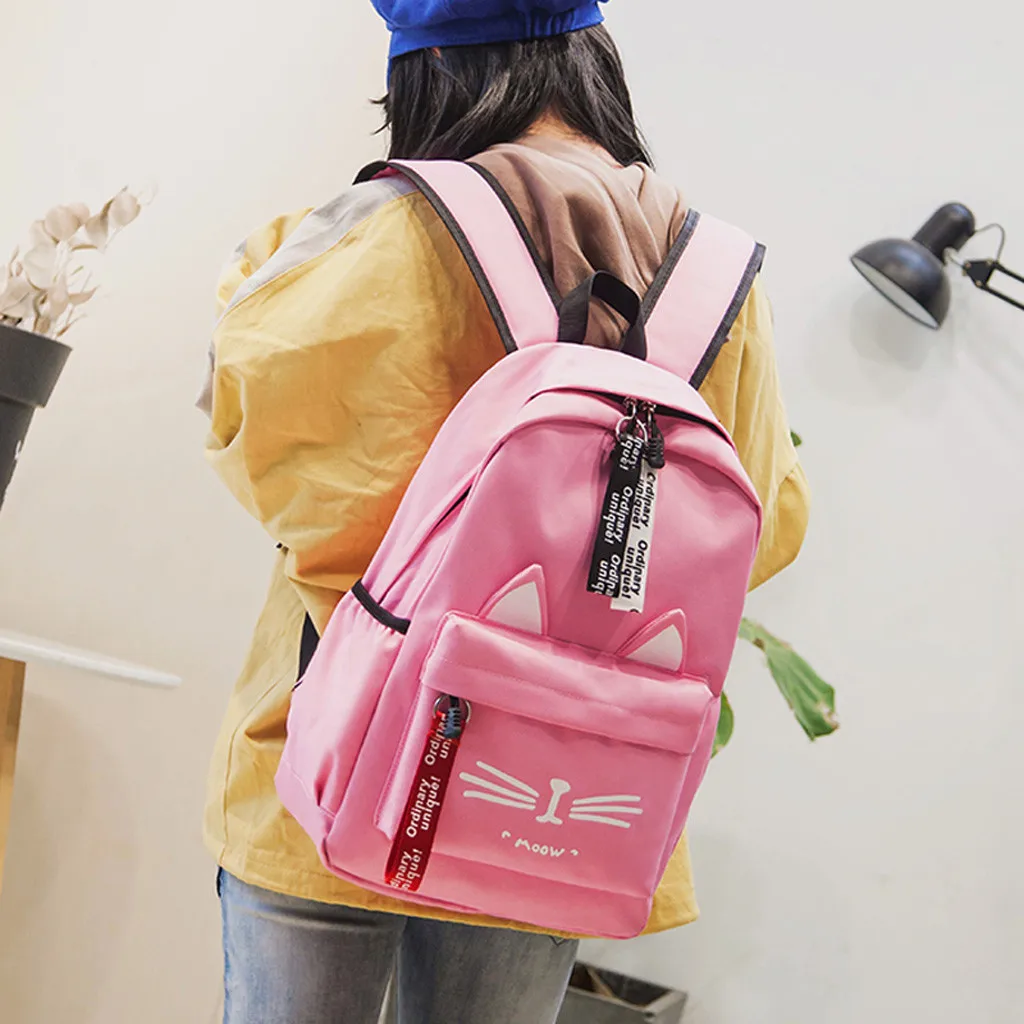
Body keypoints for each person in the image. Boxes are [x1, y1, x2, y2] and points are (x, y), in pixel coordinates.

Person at [198, 2, 810, 1021]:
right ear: (592, 60)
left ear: (427, 71)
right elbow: (766, 522)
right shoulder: (712, 274)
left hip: (330, 758)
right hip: (549, 792)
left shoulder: (391, 228)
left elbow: (267, 438)